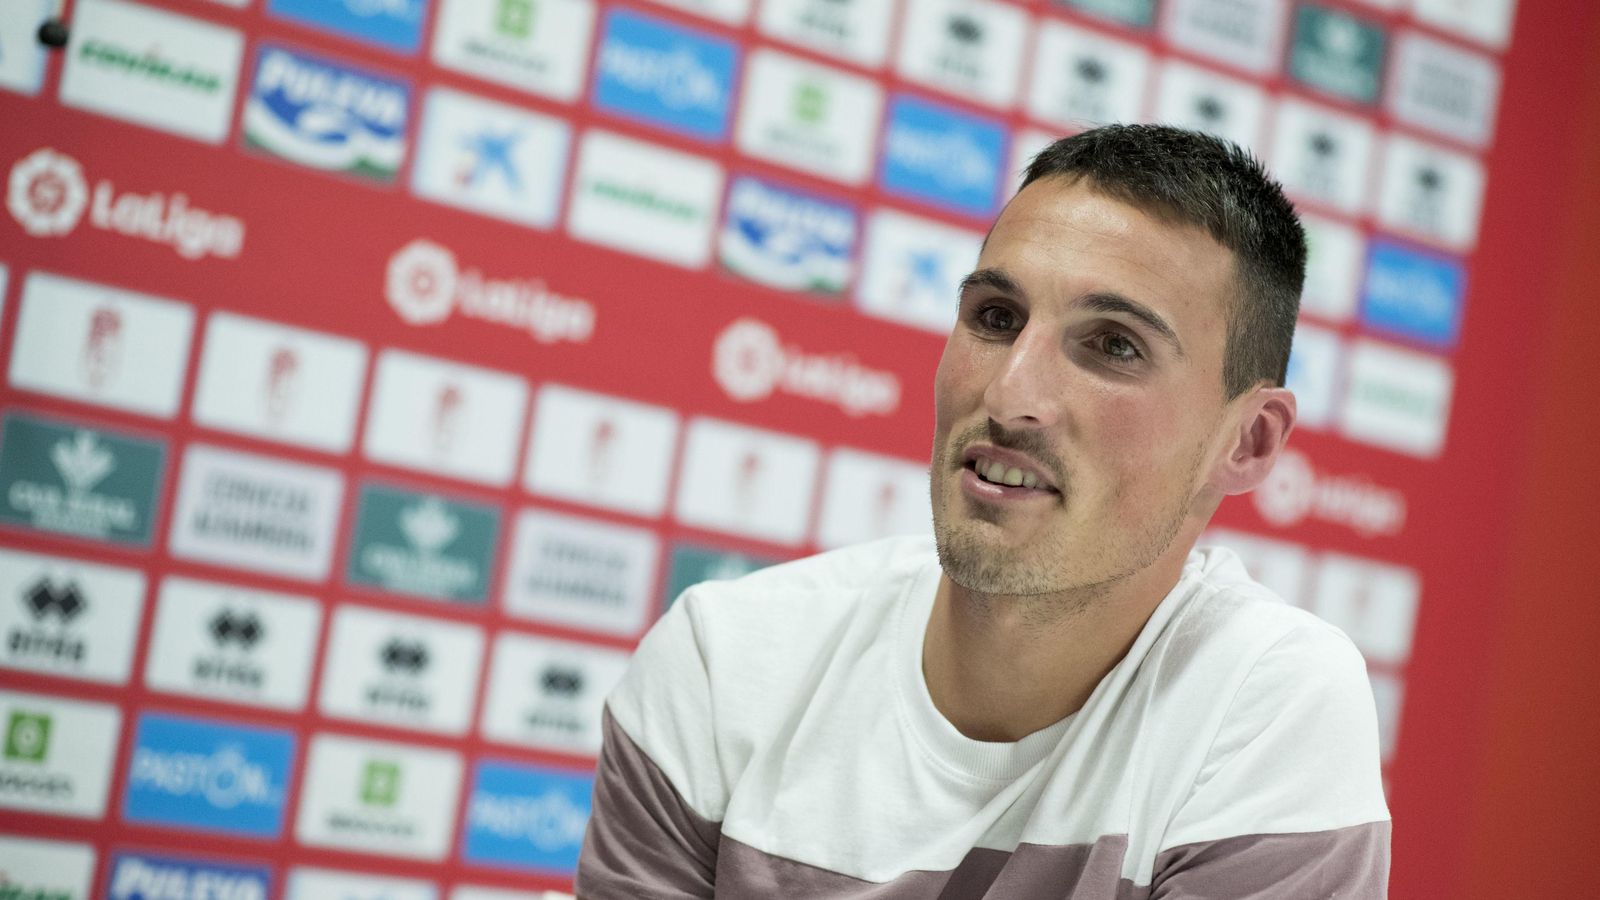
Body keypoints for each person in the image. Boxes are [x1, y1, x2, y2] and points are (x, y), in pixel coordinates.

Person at [576, 124, 1390, 898]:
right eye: (996, 319)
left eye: (1113, 345)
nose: (1011, 395)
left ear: (1247, 440)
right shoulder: (727, 667)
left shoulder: (1267, 703)